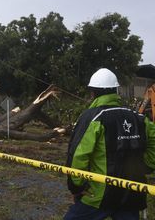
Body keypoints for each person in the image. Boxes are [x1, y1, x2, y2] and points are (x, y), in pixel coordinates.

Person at [64, 68, 155, 220]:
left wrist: (76, 187)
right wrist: (146, 166)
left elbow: (78, 156)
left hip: (99, 195)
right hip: (132, 193)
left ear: (93, 92)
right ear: (116, 90)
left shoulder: (92, 117)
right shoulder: (138, 117)